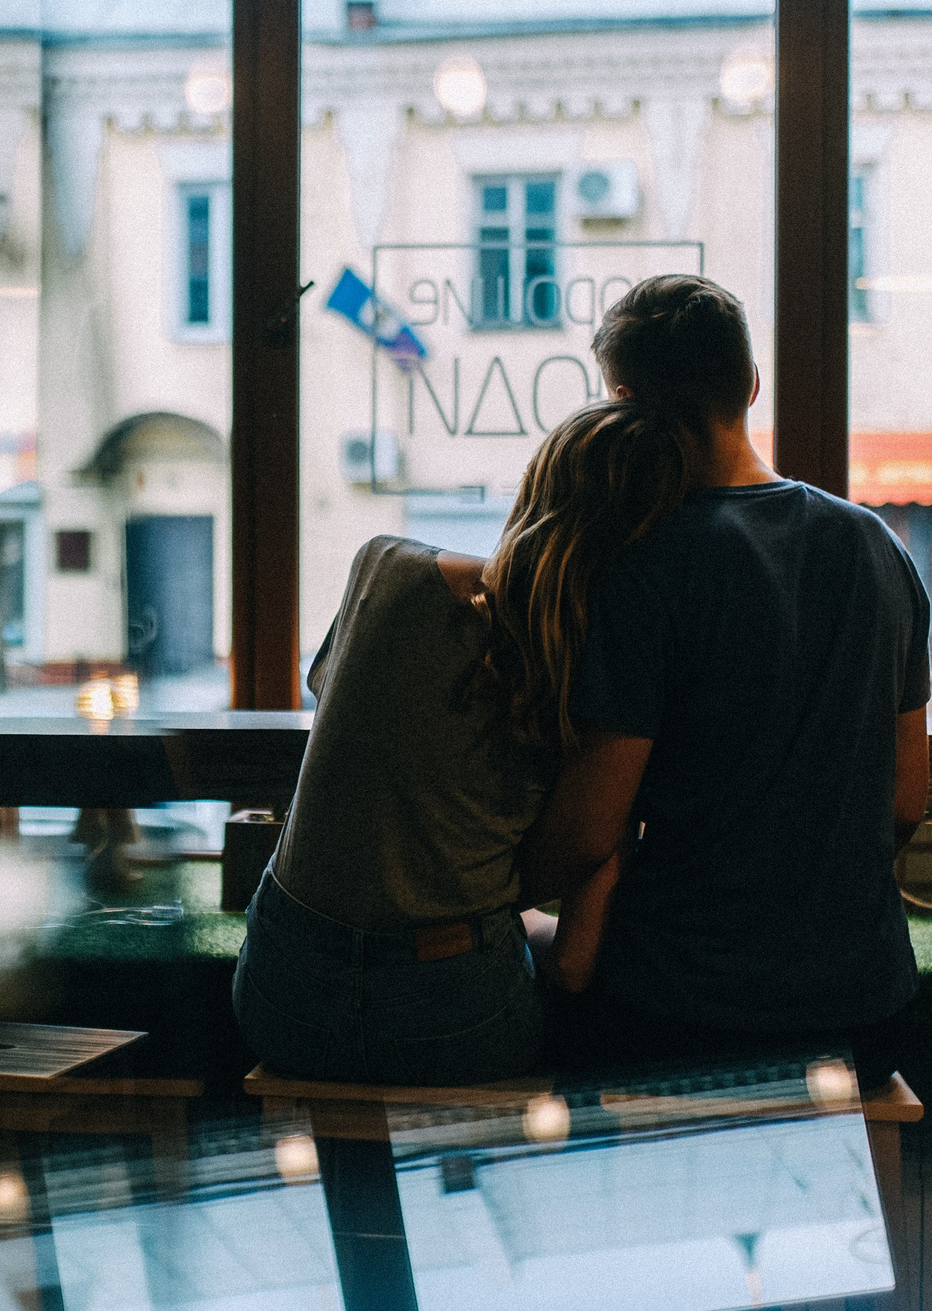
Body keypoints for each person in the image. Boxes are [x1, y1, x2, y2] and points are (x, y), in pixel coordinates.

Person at [523, 274, 932, 1097]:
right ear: (751, 384)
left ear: (626, 402)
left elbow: (590, 832)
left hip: (679, 1013)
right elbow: (905, 801)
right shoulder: (877, 548)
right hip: (865, 1008)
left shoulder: (641, 564)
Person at [232, 401, 688, 1085]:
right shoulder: (597, 679)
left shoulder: (382, 566)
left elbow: (344, 708)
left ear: (537, 482)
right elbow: (571, 963)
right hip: (450, 1018)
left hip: (279, 990)